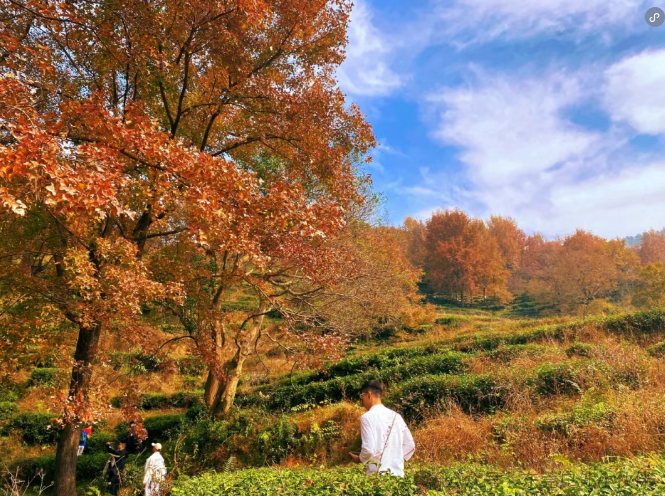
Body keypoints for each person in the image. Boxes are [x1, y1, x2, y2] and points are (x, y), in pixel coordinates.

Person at [348, 380, 415, 477]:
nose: (362, 401)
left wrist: (359, 459)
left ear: (368, 395)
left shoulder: (367, 417)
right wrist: (394, 459)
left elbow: (369, 450)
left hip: (378, 477)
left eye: (362, 396)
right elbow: (410, 445)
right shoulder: (396, 416)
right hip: (398, 476)